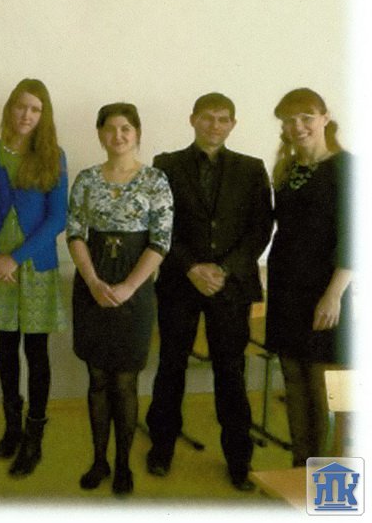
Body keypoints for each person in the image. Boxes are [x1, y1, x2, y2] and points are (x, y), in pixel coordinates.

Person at [144, 93, 272, 491]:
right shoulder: (166, 165)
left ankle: (239, 459)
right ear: (192, 120)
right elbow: (160, 224)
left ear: (233, 124)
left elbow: (260, 229)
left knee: (230, 372)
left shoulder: (252, 168)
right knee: (171, 366)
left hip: (231, 287)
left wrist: (223, 269)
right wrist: (191, 267)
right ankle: (161, 446)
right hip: (180, 283)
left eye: (222, 119)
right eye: (207, 118)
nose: (214, 125)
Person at [66, 102, 173, 496]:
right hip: (91, 286)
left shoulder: (155, 180)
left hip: (135, 290)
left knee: (125, 382)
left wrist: (129, 287)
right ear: (100, 134)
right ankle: (99, 460)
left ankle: (124, 463)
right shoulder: (86, 179)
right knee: (97, 378)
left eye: (126, 128)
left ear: (137, 133)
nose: (118, 135)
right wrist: (93, 281)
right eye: (110, 128)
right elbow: (74, 232)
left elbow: (161, 241)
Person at [0, 79, 68, 478]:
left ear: (43, 115)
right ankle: (12, 427)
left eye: (35, 109)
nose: (27, 115)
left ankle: (35, 436)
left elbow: (57, 218)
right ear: (10, 109)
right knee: (5, 348)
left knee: (36, 351)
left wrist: (14, 259)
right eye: (21, 106)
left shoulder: (54, 156)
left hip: (35, 264)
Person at [265, 88, 352, 466]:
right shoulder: (287, 170)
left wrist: (333, 295)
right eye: (289, 120)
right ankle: (301, 471)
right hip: (286, 290)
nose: (297, 126)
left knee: (328, 391)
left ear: (325, 117)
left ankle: (332, 483)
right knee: (294, 382)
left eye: (306, 117)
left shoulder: (348, 168)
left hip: (326, 291)